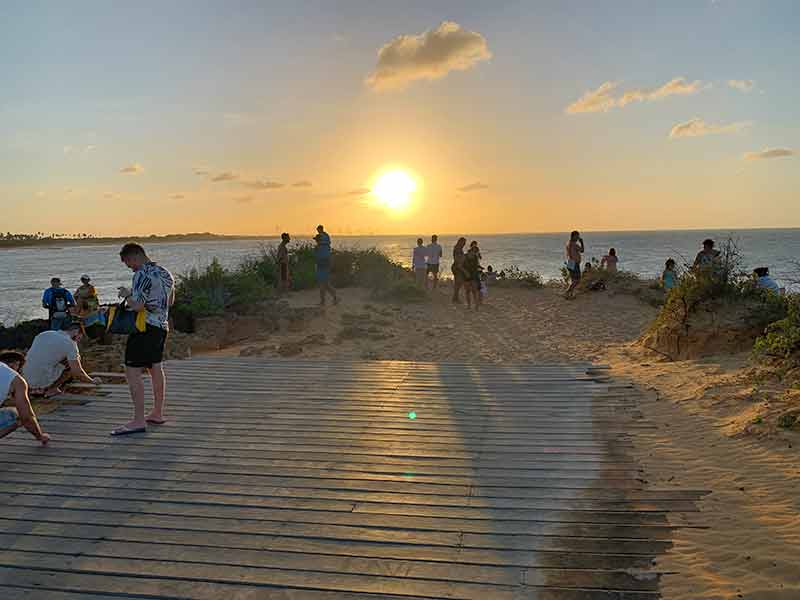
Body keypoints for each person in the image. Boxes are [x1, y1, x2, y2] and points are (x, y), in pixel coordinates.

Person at [113, 242, 175, 436]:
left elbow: (138, 306)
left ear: (134, 257)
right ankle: (157, 413)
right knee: (155, 367)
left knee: (132, 372)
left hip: (144, 327)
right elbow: (170, 301)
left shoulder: (141, 274)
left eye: (128, 263)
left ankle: (138, 420)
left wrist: (126, 294)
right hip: (161, 326)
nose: (130, 267)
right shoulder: (166, 273)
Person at [23, 321, 99, 397]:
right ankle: (52, 389)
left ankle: (35, 388)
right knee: (70, 364)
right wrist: (92, 381)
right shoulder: (70, 344)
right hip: (39, 380)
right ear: (76, 332)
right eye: (79, 338)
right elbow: (77, 372)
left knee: (48, 360)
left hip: (24, 376)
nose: (77, 341)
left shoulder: (45, 334)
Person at [0, 351, 50, 445]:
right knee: (15, 414)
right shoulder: (17, 380)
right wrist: (40, 436)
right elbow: (26, 417)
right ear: (15, 364)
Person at [314, 225, 339, 306]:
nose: (316, 241)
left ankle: (325, 300)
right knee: (325, 284)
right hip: (322, 266)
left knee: (323, 284)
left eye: (317, 240)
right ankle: (333, 298)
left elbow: (321, 258)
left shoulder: (321, 247)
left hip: (322, 266)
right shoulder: (325, 246)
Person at [564, 231, 584, 299]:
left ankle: (570, 295)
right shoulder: (574, 244)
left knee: (573, 280)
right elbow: (582, 250)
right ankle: (567, 292)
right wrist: (581, 242)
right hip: (574, 263)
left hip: (570, 262)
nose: (578, 237)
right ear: (574, 236)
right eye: (577, 236)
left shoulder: (568, 243)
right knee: (577, 280)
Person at [463, 244, 482, 310]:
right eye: (475, 252)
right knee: (467, 291)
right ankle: (469, 305)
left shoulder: (475, 257)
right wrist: (465, 272)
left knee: (474, 291)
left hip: (474, 275)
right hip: (466, 276)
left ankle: (476, 306)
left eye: (476, 252)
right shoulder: (465, 256)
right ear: (471, 251)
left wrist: (480, 268)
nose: (475, 253)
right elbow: (460, 266)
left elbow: (476, 266)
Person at [451, 237, 468, 304]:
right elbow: (457, 259)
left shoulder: (458, 248)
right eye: (463, 243)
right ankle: (455, 298)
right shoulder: (457, 249)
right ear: (460, 242)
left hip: (457, 266)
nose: (464, 244)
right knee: (458, 283)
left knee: (458, 283)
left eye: (464, 243)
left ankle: (455, 298)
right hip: (457, 267)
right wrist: (464, 257)